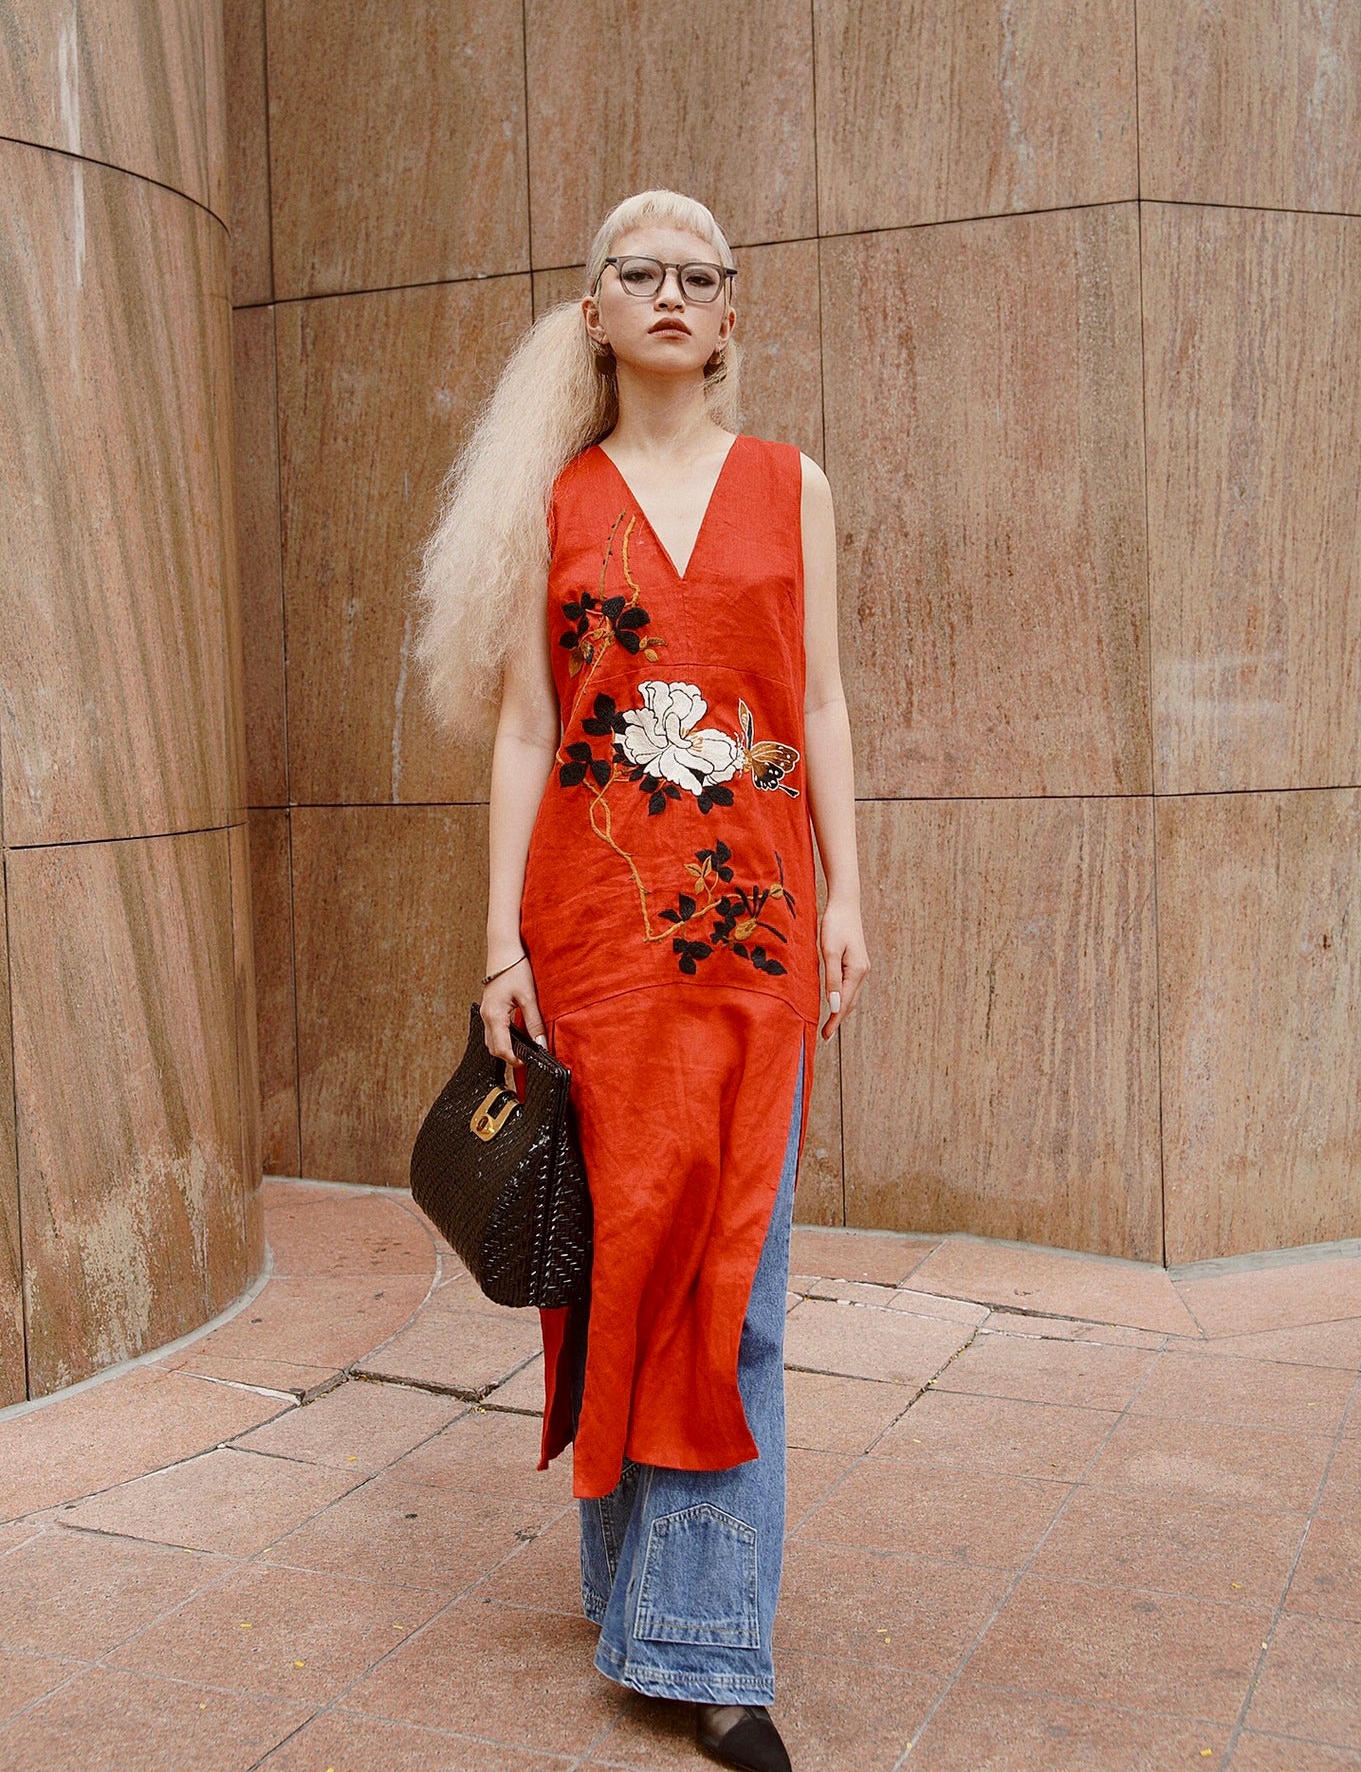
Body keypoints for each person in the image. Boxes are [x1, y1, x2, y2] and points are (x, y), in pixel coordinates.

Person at [414, 189, 868, 1771]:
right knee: (617, 1272)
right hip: (595, 940)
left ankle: (708, 1648)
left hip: (754, 931)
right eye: (639, 272)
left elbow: (816, 703)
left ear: (729, 316)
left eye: (700, 275)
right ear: (594, 312)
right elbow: (526, 730)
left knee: (731, 1281)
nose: (670, 293)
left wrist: (851, 894)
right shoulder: (550, 500)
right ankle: (639, 1607)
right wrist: (498, 945)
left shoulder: (791, 485)